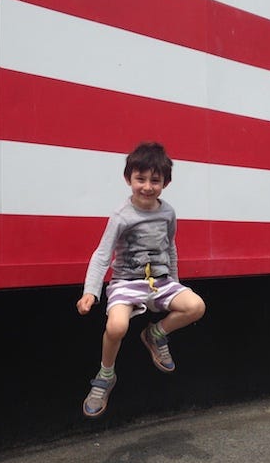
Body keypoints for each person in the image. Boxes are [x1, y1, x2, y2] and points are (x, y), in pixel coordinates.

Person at [76, 142, 206, 418]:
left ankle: (155, 334)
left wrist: (175, 282)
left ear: (165, 183)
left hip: (160, 281)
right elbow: (102, 254)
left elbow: (170, 247)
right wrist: (91, 292)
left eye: (155, 181)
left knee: (196, 306)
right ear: (129, 179)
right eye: (140, 179)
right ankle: (105, 375)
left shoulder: (167, 213)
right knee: (117, 326)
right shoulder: (122, 216)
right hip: (126, 282)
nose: (147, 186)